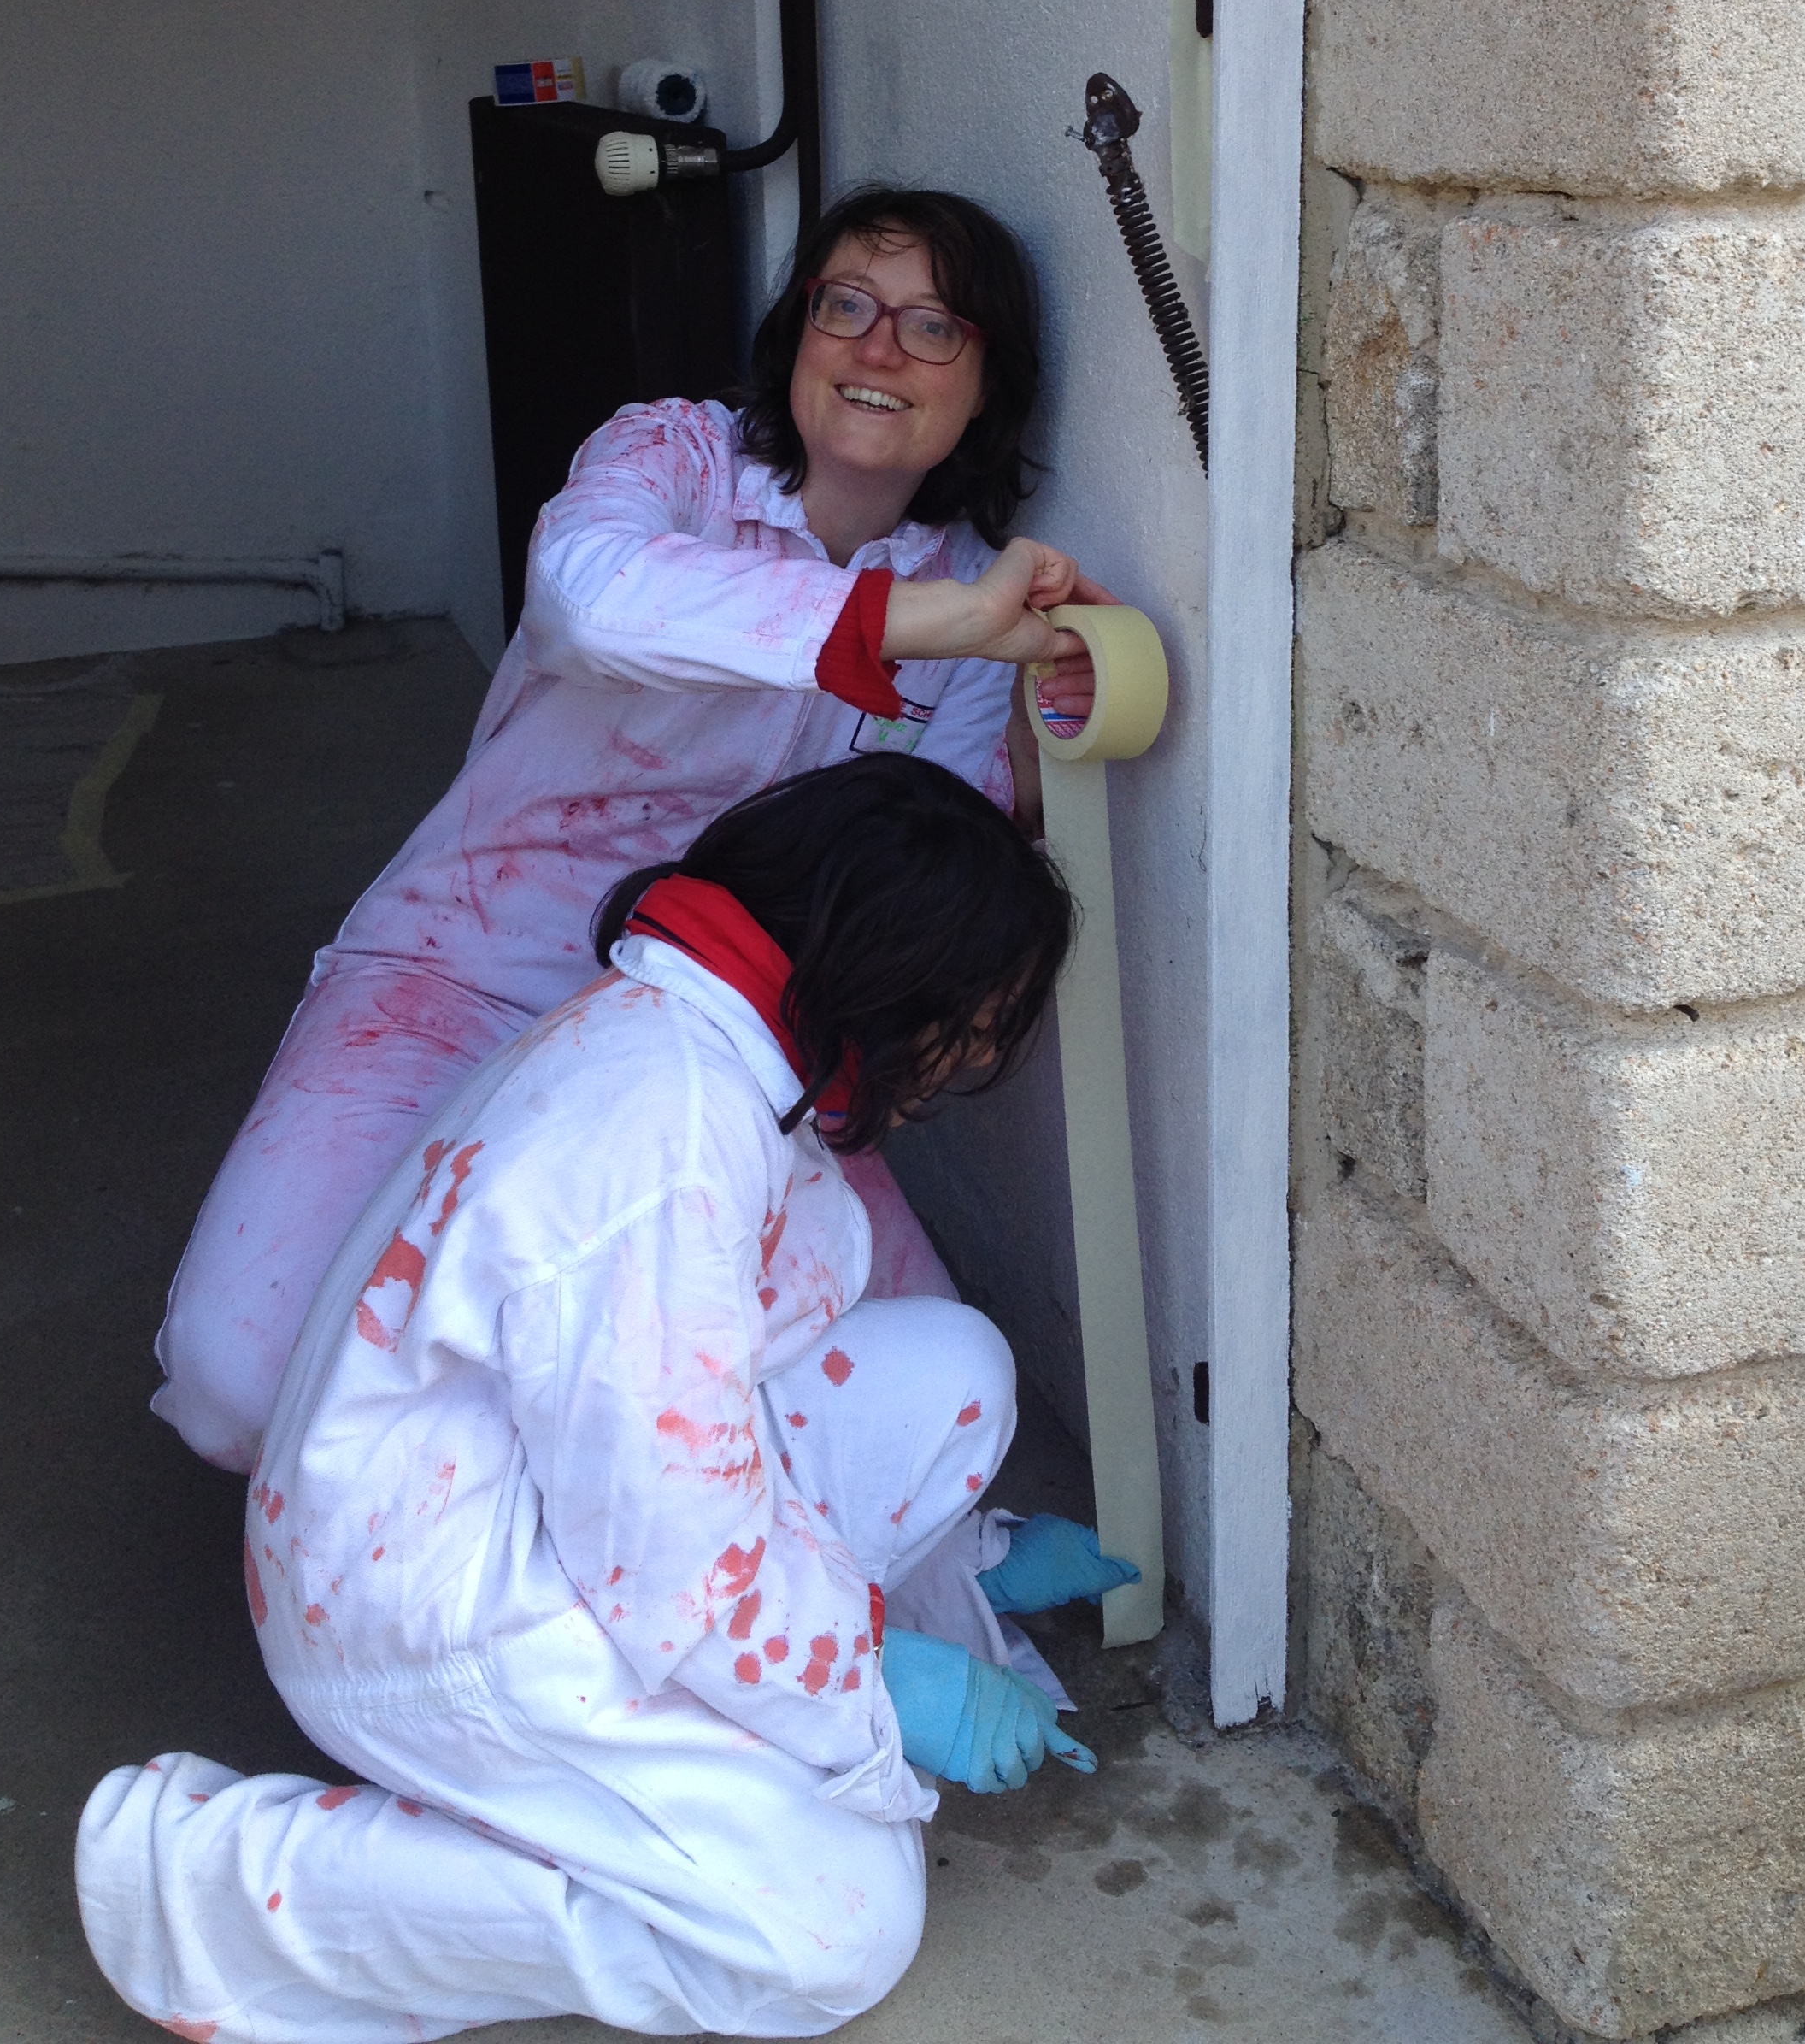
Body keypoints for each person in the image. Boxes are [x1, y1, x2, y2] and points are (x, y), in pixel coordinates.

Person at [79, 758, 1140, 2042]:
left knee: (956, 1373)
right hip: (434, 1614)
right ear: (886, 968)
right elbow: (671, 1547)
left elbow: (692, 1424)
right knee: (835, 1930)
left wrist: (946, 1573)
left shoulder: (700, 1036)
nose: (966, 1059)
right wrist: (865, 1684)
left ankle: (782, 1700)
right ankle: (220, 1890)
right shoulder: (665, 1140)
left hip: (521, 1496)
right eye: (969, 1023)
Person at [156, 188, 1114, 1470]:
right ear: (799, 331)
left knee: (915, 1401)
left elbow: (929, 852)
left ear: (989, 385)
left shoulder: (968, 594)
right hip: (459, 971)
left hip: (725, 1036)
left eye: (935, 327)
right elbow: (587, 599)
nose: (879, 348)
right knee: (241, 1386)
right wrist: (919, 624)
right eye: (848, 305)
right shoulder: (676, 456)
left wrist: (1048, 727)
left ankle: (578, 1491)